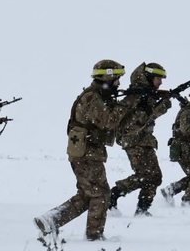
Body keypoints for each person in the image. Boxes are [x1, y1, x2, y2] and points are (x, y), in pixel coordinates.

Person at [34, 60, 128, 241]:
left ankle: (50, 220)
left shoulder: (98, 97)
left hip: (86, 152)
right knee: (100, 194)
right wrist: (126, 104)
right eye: (116, 79)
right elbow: (109, 121)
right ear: (107, 78)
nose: (118, 84)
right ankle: (94, 235)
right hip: (87, 153)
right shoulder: (92, 98)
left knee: (87, 194)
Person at [110, 62, 172, 216]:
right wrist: (161, 108)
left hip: (145, 140)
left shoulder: (146, 95)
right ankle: (113, 195)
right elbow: (138, 121)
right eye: (158, 78)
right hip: (134, 141)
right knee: (144, 176)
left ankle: (142, 210)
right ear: (150, 77)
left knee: (155, 177)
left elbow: (146, 116)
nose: (161, 82)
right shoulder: (136, 96)